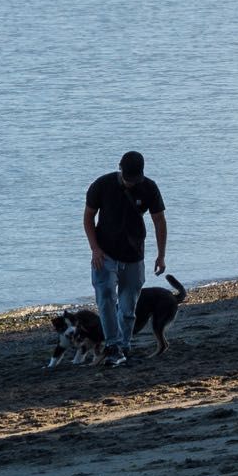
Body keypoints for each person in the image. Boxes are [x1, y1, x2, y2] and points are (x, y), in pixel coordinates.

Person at [83, 150, 168, 367]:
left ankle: (124, 345)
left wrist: (161, 255)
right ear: (120, 168)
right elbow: (88, 217)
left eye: (135, 179)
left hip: (134, 256)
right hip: (105, 254)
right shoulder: (102, 185)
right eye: (128, 179)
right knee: (106, 297)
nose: (131, 183)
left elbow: (159, 221)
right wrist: (94, 249)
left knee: (129, 307)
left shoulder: (149, 187)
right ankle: (112, 345)